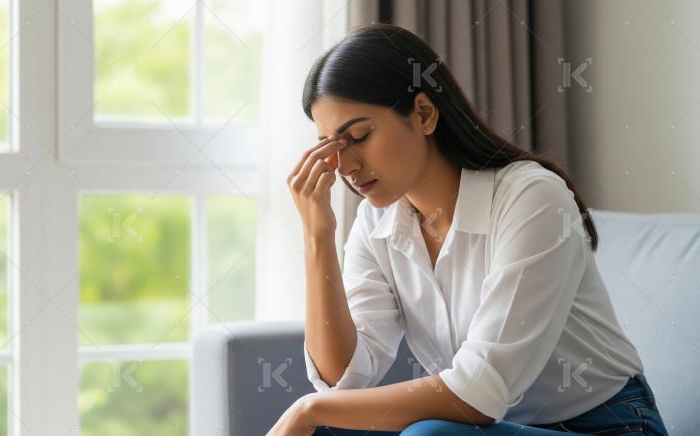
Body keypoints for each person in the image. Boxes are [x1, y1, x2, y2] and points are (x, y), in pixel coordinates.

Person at [271, 23, 668, 435]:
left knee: (426, 434)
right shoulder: (376, 224)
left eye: (359, 136)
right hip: (493, 427)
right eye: (331, 147)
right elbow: (341, 381)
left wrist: (308, 410)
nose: (347, 166)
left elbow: (479, 391)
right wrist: (317, 236)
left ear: (424, 113)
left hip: (607, 427)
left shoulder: (531, 198)